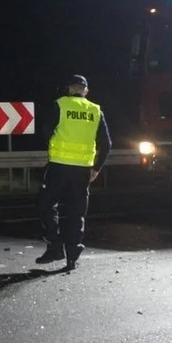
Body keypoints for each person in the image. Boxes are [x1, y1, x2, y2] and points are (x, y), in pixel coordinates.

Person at [35, 74, 112, 270]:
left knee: (47, 204)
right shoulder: (96, 110)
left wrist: (53, 146)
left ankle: (55, 246)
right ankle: (72, 256)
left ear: (69, 88)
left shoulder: (60, 105)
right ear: (86, 91)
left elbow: (45, 131)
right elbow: (107, 143)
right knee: (77, 213)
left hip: (59, 167)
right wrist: (96, 168)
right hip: (83, 170)